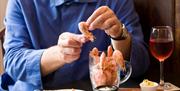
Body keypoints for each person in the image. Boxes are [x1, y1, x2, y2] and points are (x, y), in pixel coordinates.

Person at [1, 0, 150, 90]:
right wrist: (59, 54)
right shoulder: (21, 2)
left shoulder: (117, 2)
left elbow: (141, 65)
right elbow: (13, 62)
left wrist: (118, 35)